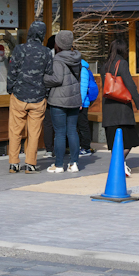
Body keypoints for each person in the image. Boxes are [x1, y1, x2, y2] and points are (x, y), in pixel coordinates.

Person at [6, 22, 53, 174]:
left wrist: (10, 89)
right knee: (34, 132)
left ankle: (14, 164)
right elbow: (49, 76)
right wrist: (45, 93)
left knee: (15, 131)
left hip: (19, 95)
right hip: (38, 98)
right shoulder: (46, 52)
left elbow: (11, 71)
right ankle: (31, 164)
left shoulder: (19, 49)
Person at [102, 39, 139, 178]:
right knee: (129, 140)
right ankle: (119, 165)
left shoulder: (105, 65)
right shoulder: (122, 64)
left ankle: (119, 165)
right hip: (122, 110)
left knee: (114, 142)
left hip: (108, 110)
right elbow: (130, 84)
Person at [43, 30, 82, 173]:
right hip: (74, 98)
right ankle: (74, 163)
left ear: (58, 44)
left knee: (59, 132)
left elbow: (57, 79)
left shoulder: (58, 59)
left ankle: (59, 165)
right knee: (72, 131)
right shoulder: (76, 58)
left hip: (59, 99)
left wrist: (43, 78)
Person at [78, 57, 96, 157]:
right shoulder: (81, 67)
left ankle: (86, 147)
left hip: (82, 103)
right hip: (80, 102)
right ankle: (83, 146)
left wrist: (80, 101)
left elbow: (83, 86)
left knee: (83, 125)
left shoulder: (83, 68)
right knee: (80, 125)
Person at [42, 34, 56, 159]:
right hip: (63, 95)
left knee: (48, 123)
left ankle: (49, 150)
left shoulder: (46, 56)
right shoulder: (71, 57)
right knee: (62, 124)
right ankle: (60, 149)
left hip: (48, 94)